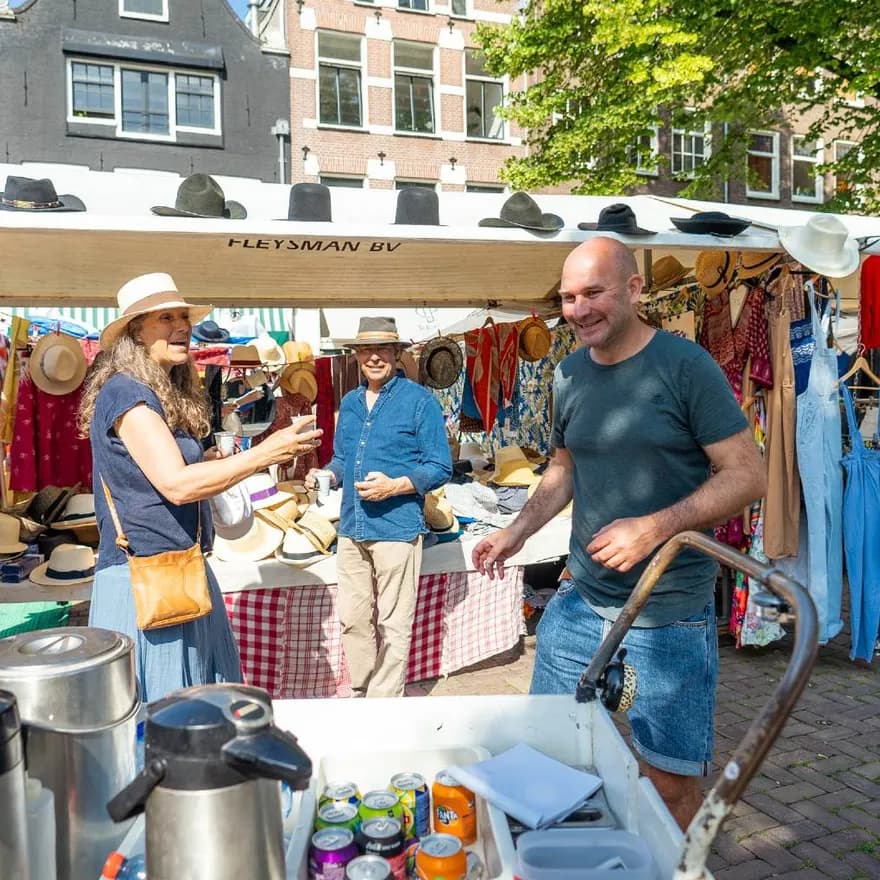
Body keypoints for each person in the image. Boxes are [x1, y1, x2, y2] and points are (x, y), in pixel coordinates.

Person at [472, 238, 766, 829]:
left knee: (669, 781)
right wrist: (519, 530)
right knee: (550, 751)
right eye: (569, 297)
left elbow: (750, 474)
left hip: (670, 613)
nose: (578, 310)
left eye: (593, 293)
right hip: (580, 599)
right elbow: (564, 467)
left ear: (634, 289)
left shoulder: (686, 367)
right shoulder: (569, 373)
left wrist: (655, 527)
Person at [78, 272, 322, 703]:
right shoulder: (127, 395)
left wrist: (211, 463)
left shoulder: (156, 390)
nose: (182, 326)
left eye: (183, 317)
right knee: (166, 722)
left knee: (193, 716)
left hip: (179, 570)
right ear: (135, 332)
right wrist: (266, 454)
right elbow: (174, 485)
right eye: (166, 318)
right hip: (145, 583)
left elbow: (162, 475)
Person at [306, 317, 452, 697]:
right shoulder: (351, 403)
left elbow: (440, 466)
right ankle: (361, 692)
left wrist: (396, 487)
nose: (373, 357)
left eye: (382, 350)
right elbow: (342, 458)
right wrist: (327, 475)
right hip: (352, 528)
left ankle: (384, 704)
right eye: (365, 350)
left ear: (397, 354)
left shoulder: (420, 402)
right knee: (353, 619)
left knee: (393, 623)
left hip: (397, 527)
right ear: (355, 355)